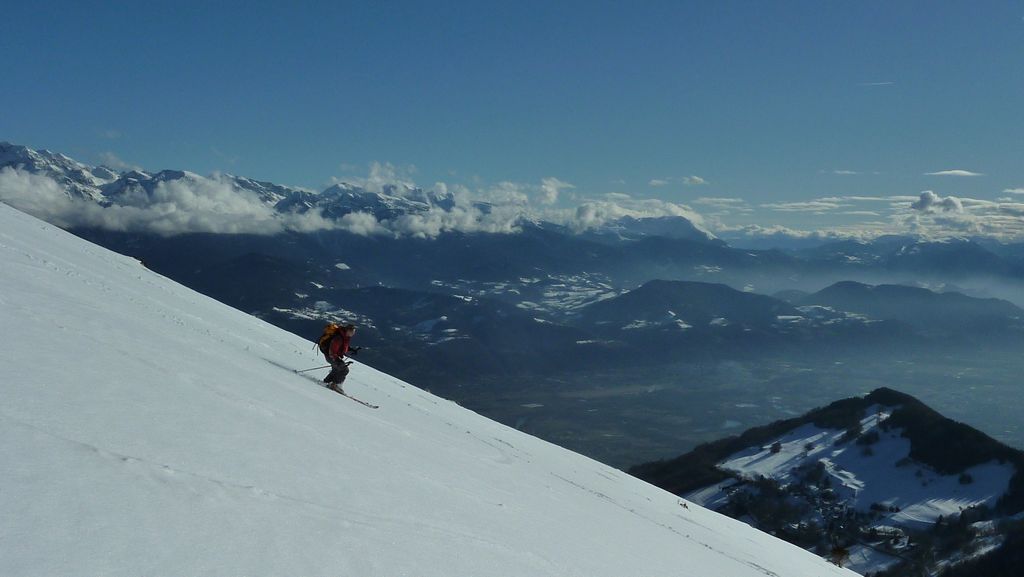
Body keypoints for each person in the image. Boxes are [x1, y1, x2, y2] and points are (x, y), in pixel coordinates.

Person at [322, 323, 358, 393]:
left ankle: (327, 381)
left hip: (332, 356)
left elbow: (341, 347)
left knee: (336, 369)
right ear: (348, 330)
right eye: (352, 332)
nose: (353, 333)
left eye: (354, 332)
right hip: (331, 356)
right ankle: (336, 385)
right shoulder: (339, 338)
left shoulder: (344, 336)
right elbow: (332, 350)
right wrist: (337, 359)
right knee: (344, 370)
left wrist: (351, 349)